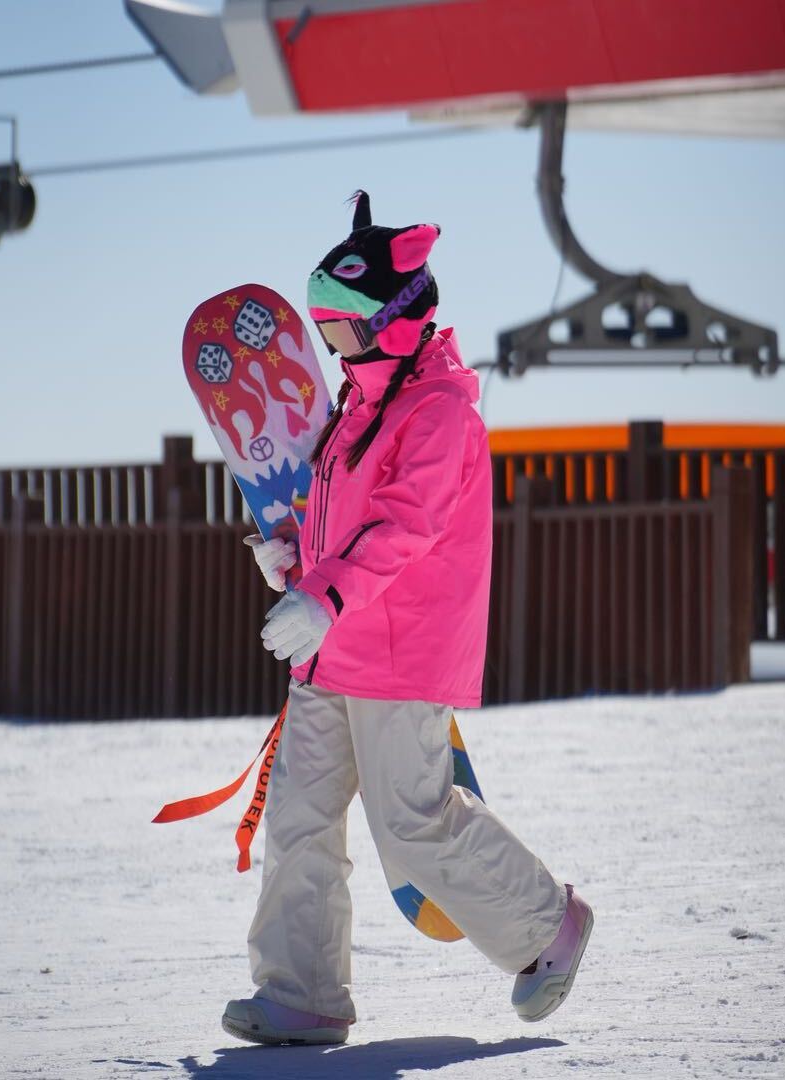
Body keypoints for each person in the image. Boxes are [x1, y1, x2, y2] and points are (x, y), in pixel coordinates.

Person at [223, 192, 593, 1046]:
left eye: (341, 328)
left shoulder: (441, 410)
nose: (330, 345)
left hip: (399, 650)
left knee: (414, 827)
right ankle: (302, 993)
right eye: (324, 330)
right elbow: (343, 522)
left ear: (392, 321)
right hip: (333, 651)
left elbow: (405, 524)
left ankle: (549, 928)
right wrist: (293, 561)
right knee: (299, 818)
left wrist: (326, 598)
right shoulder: (357, 405)